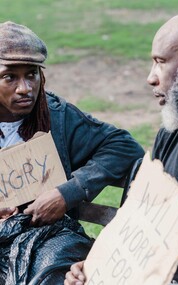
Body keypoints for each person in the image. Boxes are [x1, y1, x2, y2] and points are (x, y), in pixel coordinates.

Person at [0, 21, 144, 284]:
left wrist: (67, 193)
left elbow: (124, 146)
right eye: (10, 77)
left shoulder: (56, 115)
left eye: (31, 74)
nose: (25, 88)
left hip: (48, 239)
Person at [64, 11, 178, 285]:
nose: (151, 78)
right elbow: (141, 221)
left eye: (161, 62)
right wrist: (99, 265)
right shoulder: (172, 133)